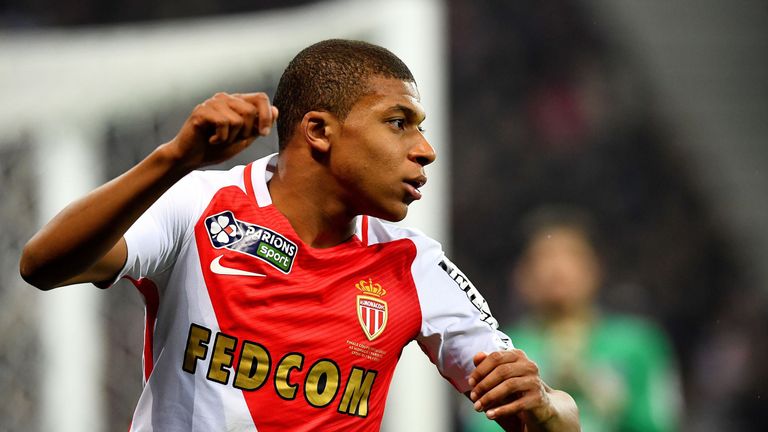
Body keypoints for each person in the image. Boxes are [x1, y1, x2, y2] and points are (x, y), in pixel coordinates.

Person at [20, 39, 579, 431]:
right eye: (398, 121)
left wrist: (549, 410)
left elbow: (542, 413)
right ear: (319, 131)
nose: (424, 149)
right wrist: (174, 159)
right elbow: (42, 265)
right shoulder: (197, 204)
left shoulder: (414, 264)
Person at [464, 206, 681, 432]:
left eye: (571, 255)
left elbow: (661, 425)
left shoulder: (638, 346)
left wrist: (612, 400)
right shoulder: (500, 349)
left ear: (594, 268)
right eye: (545, 256)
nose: (558, 269)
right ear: (523, 274)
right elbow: (482, 426)